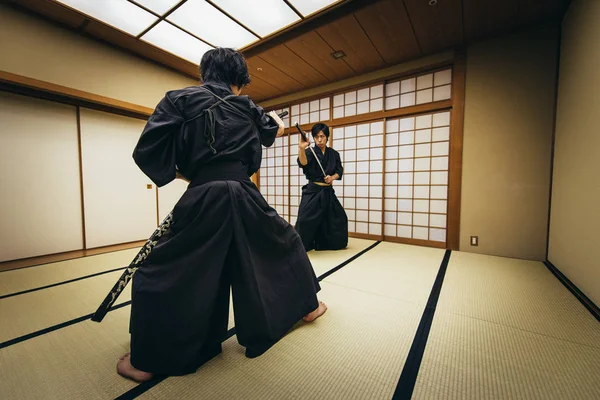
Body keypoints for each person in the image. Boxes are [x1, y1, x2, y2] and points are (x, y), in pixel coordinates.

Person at [117, 48, 327, 382]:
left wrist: (190, 175)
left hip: (204, 194)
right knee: (284, 242)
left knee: (167, 268)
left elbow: (148, 149)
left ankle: (149, 360)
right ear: (239, 79)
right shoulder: (247, 106)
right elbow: (272, 132)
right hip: (245, 192)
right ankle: (308, 306)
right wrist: (277, 125)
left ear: (205, 74)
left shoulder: (178, 99)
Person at [295, 123, 348, 251]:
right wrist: (301, 148)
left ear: (327, 137)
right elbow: (303, 163)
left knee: (339, 218)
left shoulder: (334, 154)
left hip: (328, 191)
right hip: (313, 191)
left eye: (322, 136)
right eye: (316, 136)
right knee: (304, 219)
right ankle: (301, 245)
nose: (319, 139)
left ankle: (326, 243)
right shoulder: (309, 152)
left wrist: (332, 178)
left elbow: (339, 171)